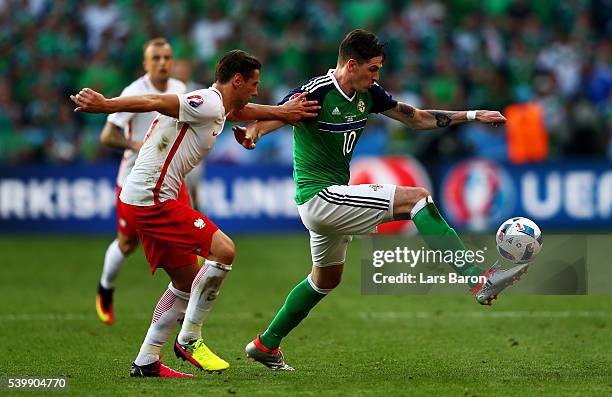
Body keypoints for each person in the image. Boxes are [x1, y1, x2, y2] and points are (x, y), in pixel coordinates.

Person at [233, 30, 528, 371]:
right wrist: (253, 132)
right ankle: (478, 278)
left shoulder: (368, 94)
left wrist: (473, 115)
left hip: (329, 200)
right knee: (417, 199)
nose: (377, 77)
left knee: (325, 279)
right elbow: (279, 115)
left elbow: (416, 118)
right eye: (372, 70)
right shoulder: (317, 93)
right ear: (352, 64)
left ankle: (266, 344)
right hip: (320, 196)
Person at [71, 49, 320, 378]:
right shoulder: (208, 102)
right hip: (152, 197)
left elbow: (241, 110)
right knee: (224, 250)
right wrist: (106, 105)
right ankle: (189, 339)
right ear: (237, 80)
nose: (257, 90)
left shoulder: (219, 107)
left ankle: (146, 360)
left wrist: (283, 113)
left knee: (186, 280)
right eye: (254, 83)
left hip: (145, 197)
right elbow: (155, 102)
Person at [96, 38, 187, 325]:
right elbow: (107, 135)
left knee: (188, 242)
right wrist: (138, 146)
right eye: (156, 58)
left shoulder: (179, 89)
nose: (163, 62)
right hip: (134, 180)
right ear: (146, 64)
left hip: (171, 178)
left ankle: (187, 306)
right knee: (127, 244)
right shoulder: (134, 92)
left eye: (167, 57)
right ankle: (105, 288)